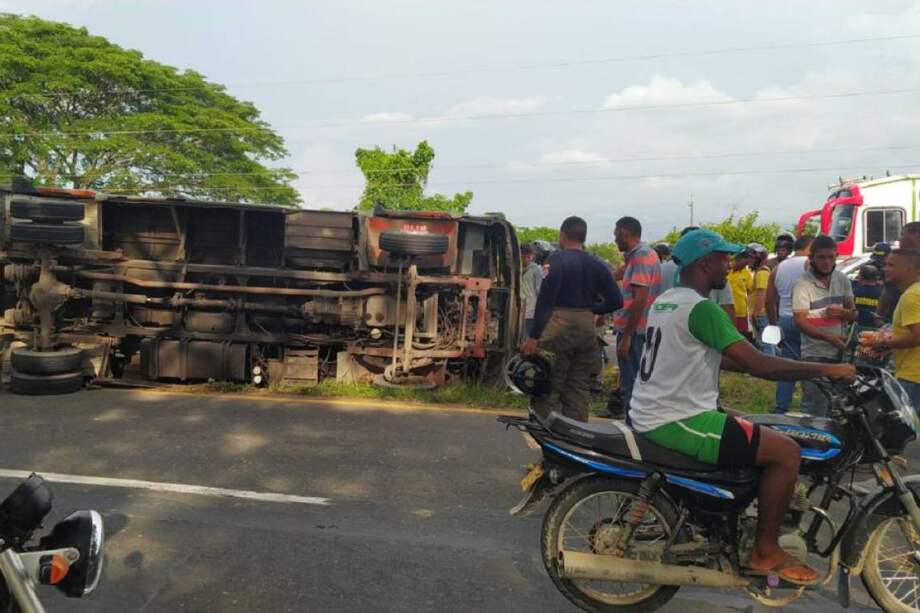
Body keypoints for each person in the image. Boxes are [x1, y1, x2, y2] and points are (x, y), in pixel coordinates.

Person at [629, 229, 855, 586]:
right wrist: (825, 369)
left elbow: (703, 355)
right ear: (705, 263)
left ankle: (734, 522)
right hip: (677, 418)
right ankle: (765, 551)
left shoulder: (668, 300)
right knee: (786, 452)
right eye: (723, 258)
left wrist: (753, 361)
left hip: (661, 410)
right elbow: (759, 365)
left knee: (757, 429)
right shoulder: (702, 309)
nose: (730, 264)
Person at [522, 217, 623, 422]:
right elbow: (616, 300)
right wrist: (594, 310)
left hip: (560, 325)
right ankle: (576, 437)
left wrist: (533, 337)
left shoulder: (557, 260)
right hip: (587, 327)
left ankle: (548, 435)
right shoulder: (597, 263)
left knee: (550, 384)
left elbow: (546, 301)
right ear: (583, 237)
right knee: (578, 387)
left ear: (563, 235)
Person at [792, 235, 856, 417]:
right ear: (811, 258)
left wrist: (844, 313)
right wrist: (828, 337)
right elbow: (800, 320)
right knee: (814, 408)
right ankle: (813, 445)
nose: (827, 262)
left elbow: (853, 313)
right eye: (821, 257)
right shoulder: (802, 284)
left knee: (839, 408)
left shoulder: (842, 279)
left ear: (836, 257)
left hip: (840, 354)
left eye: (831, 257)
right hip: (814, 354)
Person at [612, 216, 662, 418]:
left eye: (616, 235)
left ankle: (631, 432)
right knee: (638, 385)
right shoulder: (643, 254)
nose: (615, 240)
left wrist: (627, 336)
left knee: (631, 387)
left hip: (635, 333)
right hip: (641, 331)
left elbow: (640, 299)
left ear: (624, 233)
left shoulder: (641, 256)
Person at [867, 249, 920, 410]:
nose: (885, 269)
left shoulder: (911, 296)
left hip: (912, 375)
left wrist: (883, 343)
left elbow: (917, 336)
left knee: (905, 431)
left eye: (891, 265)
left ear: (908, 268)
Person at [766, 235, 813, 414]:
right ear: (811, 247)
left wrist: (774, 325)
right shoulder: (810, 264)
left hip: (784, 319)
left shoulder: (779, 267)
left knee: (787, 367)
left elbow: (769, 301)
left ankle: (780, 407)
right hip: (806, 319)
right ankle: (807, 409)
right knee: (810, 365)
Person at [748, 243, 773, 354]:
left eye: (752, 258)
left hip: (761, 315)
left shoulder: (762, 273)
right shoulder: (759, 272)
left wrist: (756, 313)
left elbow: (762, 293)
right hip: (761, 315)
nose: (749, 260)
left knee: (766, 346)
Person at [727, 249, 755, 340]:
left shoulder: (746, 273)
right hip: (725, 310)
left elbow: (750, 291)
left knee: (740, 337)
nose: (745, 266)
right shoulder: (725, 270)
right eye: (744, 263)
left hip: (741, 312)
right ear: (737, 259)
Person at [873, 243, 900, 323]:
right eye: (877, 257)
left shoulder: (898, 268)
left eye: (882, 257)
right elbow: (885, 293)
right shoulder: (873, 265)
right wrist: (878, 316)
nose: (879, 260)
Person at [521, 244, 544, 338]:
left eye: (528, 256)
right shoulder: (519, 269)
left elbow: (539, 290)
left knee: (526, 336)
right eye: (523, 256)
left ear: (531, 256)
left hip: (530, 311)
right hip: (521, 309)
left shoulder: (535, 270)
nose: (526, 259)